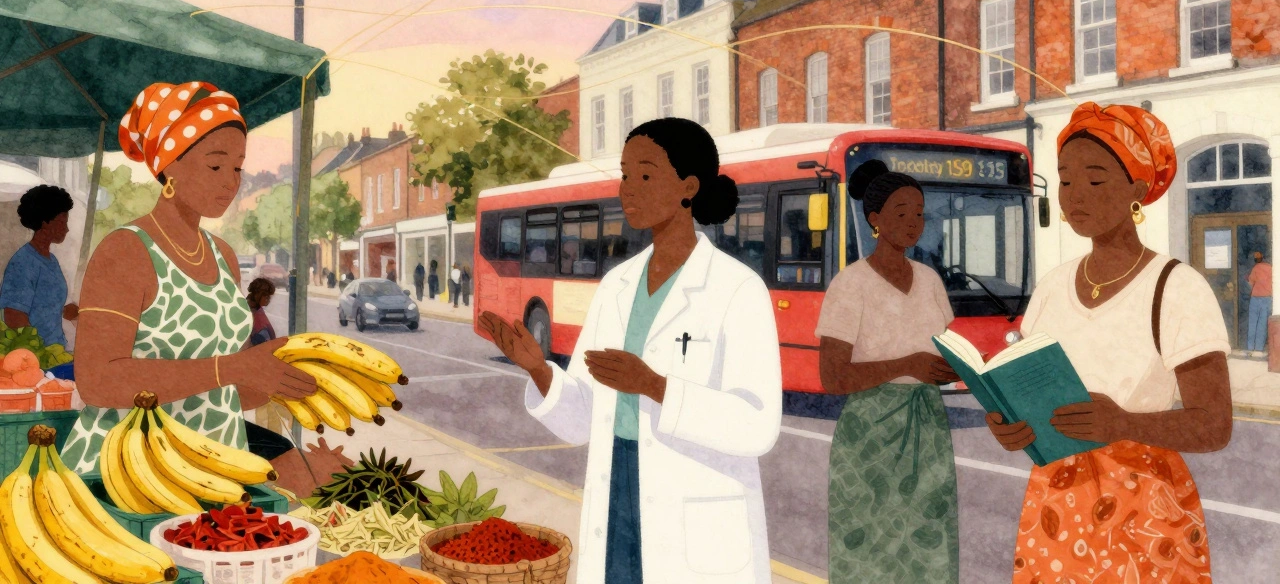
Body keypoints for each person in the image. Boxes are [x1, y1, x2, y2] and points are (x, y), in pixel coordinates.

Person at [480, 118, 782, 584]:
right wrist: (539, 370)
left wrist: (655, 387)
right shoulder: (615, 287)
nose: (628, 189)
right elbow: (581, 419)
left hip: (695, 504)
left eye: (645, 175)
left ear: (688, 186)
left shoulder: (738, 289)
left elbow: (758, 425)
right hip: (617, 489)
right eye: (624, 175)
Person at [60, 81, 351, 497]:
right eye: (216, 166)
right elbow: (97, 381)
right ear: (171, 166)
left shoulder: (223, 255)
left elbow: (227, 394)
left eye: (238, 168)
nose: (231, 182)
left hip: (219, 466)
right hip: (130, 475)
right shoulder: (125, 250)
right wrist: (234, 366)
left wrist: (282, 380)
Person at [986, 103, 1231, 584]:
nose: (1075, 196)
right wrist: (1009, 426)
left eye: (1095, 181)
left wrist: (1121, 422)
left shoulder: (1176, 288)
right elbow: (1028, 393)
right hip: (1055, 507)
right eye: (1065, 180)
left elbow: (1215, 425)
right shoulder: (1053, 287)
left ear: (1137, 190)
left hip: (1146, 513)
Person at [816, 161, 961, 583]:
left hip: (928, 429)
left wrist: (947, 368)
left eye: (919, 213)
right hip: (869, 437)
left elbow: (944, 352)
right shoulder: (850, 284)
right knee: (871, 550)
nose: (914, 223)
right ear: (875, 219)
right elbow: (833, 377)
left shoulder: (931, 280)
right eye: (901, 213)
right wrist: (908, 366)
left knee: (928, 543)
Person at [1, 185, 79, 350]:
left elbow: (47, 306)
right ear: (45, 223)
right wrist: (37, 354)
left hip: (58, 351)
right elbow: (14, 317)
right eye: (62, 222)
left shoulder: (52, 261)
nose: (66, 229)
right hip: (36, 358)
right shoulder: (23, 263)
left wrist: (72, 311)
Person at [1246, 251, 1272, 357]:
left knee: (1252, 323)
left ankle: (1250, 347)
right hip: (1267, 298)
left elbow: (1250, 282)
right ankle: (1259, 348)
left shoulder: (1255, 268)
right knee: (1262, 324)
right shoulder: (1271, 268)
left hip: (1255, 298)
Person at [245, 278, 277, 346]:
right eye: (265, 295)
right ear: (257, 294)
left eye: (269, 296)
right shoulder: (248, 310)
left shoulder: (257, 308)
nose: (268, 299)